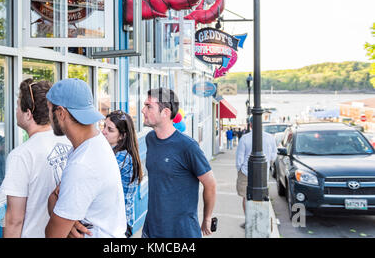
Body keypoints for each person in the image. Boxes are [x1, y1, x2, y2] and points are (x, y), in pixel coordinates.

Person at [45, 78, 126, 238]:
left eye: (49, 110)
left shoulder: (82, 164)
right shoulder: (95, 142)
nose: (48, 116)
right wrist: (64, 214)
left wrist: (53, 200)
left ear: (61, 113)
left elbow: (52, 235)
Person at [1, 79, 72, 238]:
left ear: (28, 113)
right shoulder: (69, 140)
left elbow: (14, 220)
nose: (16, 110)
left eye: (18, 105)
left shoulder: (21, 156)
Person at [141, 88, 217, 238]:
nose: (143, 110)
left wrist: (207, 218)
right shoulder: (150, 139)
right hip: (151, 230)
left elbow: (210, 184)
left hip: (182, 233)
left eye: (149, 106)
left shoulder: (188, 146)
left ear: (166, 113)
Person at [102, 110, 143, 238]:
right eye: (104, 126)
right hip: (113, 221)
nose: (104, 131)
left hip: (120, 224)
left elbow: (95, 177)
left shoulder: (122, 157)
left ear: (122, 136)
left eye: (110, 129)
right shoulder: (111, 151)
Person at [235, 116, 277, 228]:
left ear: (251, 124)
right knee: (261, 197)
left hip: (246, 172)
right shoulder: (270, 138)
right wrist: (268, 164)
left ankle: (249, 221)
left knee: (246, 197)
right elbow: (274, 154)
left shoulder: (245, 138)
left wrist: (239, 169)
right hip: (262, 173)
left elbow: (239, 157)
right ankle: (260, 221)